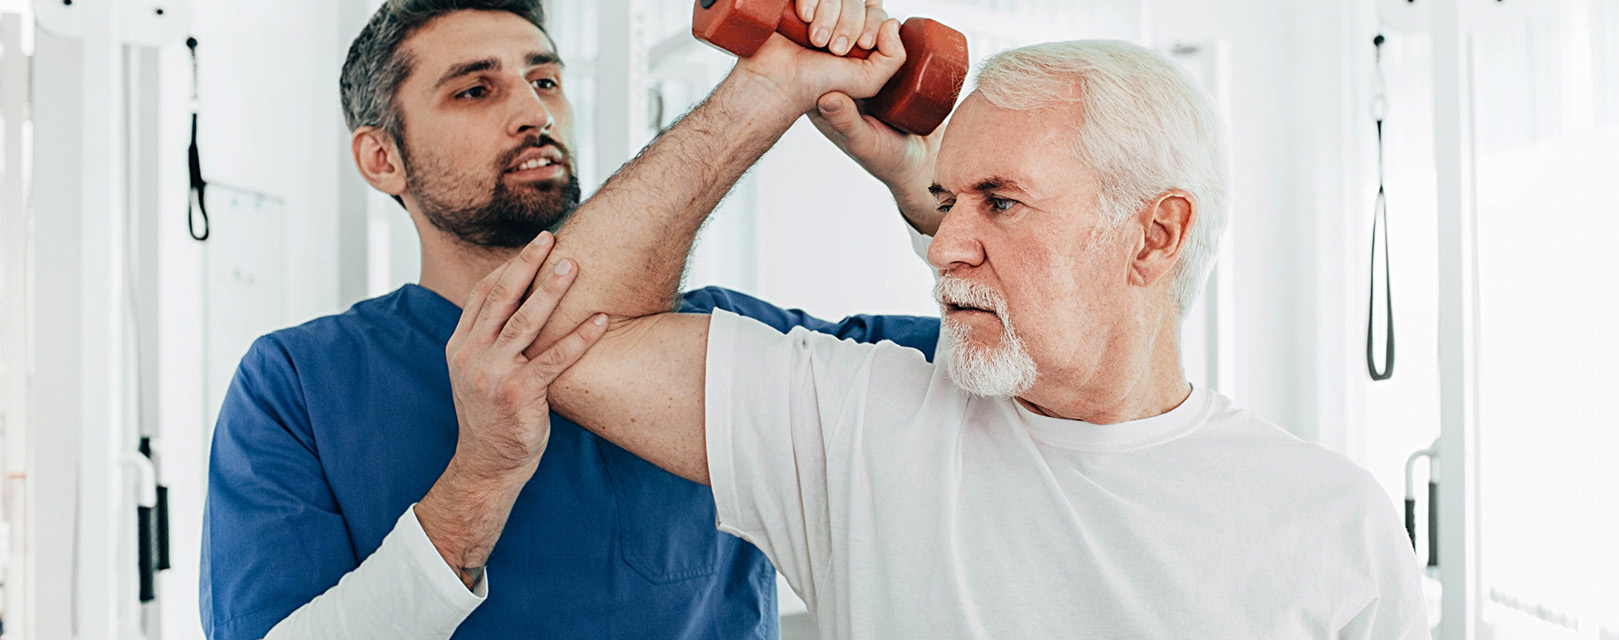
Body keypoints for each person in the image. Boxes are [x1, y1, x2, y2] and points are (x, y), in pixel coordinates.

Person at [486, 40, 1429, 638]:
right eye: (945, 200)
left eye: (1000, 202)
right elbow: (555, 332)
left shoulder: (1330, 527)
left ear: (1154, 235)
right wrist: (774, 84)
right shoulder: (859, 423)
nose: (943, 244)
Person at [198, 0, 941, 638]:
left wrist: (926, 186)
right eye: (474, 91)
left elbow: (1012, 379)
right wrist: (479, 480)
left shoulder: (724, 343)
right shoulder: (296, 383)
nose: (533, 112)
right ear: (381, 158)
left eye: (545, 80)